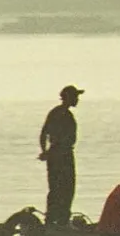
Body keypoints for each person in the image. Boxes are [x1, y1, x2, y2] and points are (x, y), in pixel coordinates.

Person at [37, 84, 81, 226]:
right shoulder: (64, 115)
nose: (77, 99)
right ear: (68, 97)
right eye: (75, 96)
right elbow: (61, 139)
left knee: (56, 189)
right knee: (66, 189)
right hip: (63, 156)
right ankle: (60, 221)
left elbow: (43, 134)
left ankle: (52, 220)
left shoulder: (55, 112)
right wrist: (48, 152)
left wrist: (45, 152)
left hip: (55, 156)